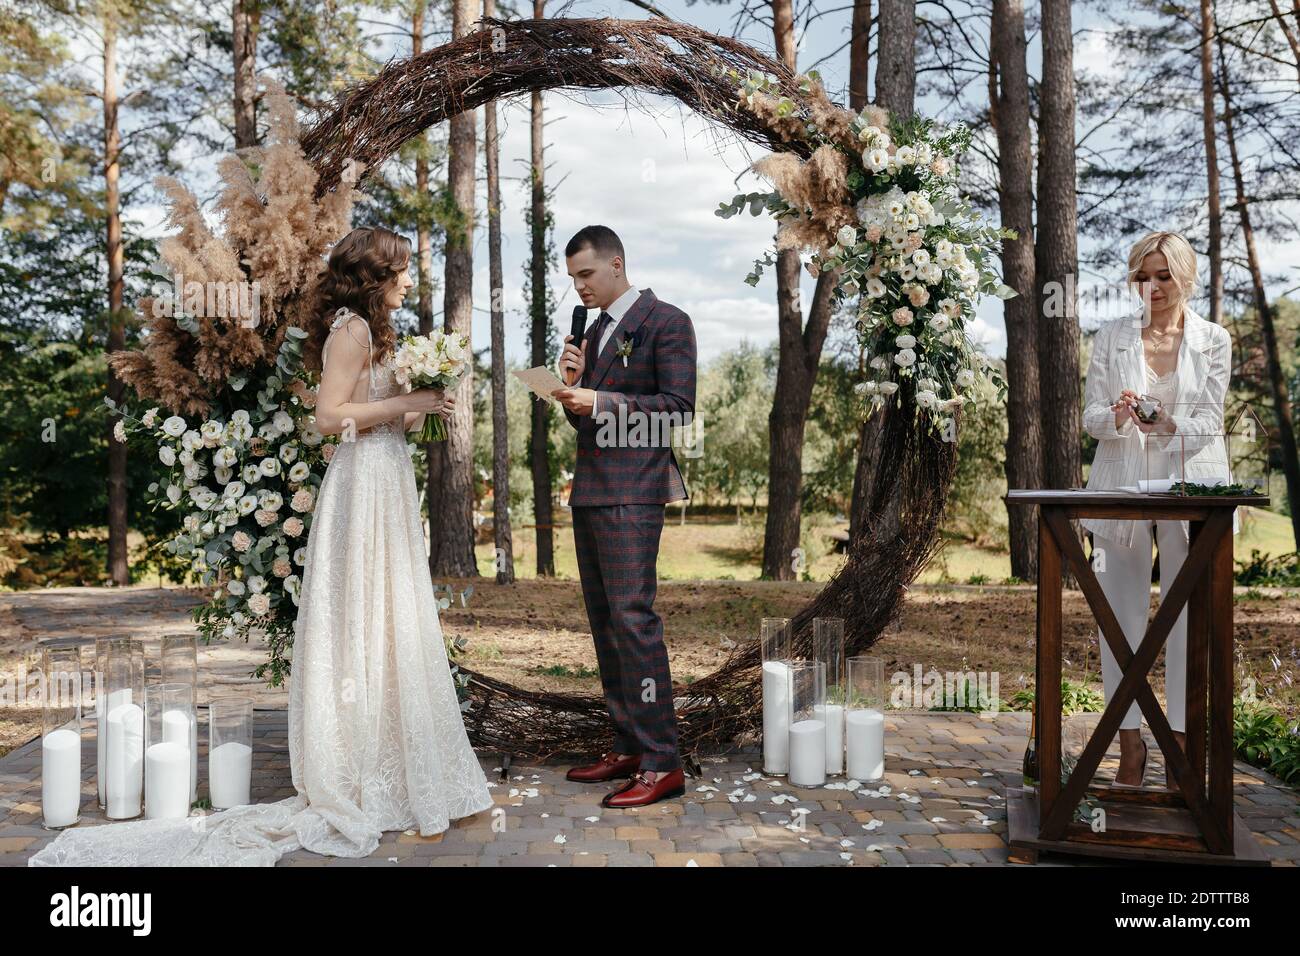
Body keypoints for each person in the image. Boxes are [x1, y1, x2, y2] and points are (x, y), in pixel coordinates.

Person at [29, 226, 494, 866]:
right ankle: (359, 775)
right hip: (359, 484)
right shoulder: (350, 329)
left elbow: (385, 414)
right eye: (403, 269)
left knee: (394, 622)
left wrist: (423, 401)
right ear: (374, 274)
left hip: (388, 479)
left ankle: (410, 771)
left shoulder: (378, 333)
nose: (410, 280)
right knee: (363, 620)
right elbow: (329, 418)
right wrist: (407, 398)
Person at [1080, 230, 1234, 788]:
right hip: (1120, 485)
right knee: (1119, 619)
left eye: (1164, 275)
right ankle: (1129, 747)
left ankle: (1182, 750)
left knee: (1186, 619)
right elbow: (1091, 419)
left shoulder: (1214, 340)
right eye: (1142, 276)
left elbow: (1210, 422)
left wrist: (1168, 424)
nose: (1153, 287)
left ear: (1185, 276)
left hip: (1191, 488)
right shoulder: (1111, 336)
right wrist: (1121, 415)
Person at [551, 225, 696, 808]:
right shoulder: (594, 331)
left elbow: (678, 411)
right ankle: (628, 745)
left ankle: (664, 763)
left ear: (617, 264)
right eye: (573, 279)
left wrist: (603, 400)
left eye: (586, 274)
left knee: (634, 621)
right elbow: (587, 424)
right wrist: (572, 390)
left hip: (634, 493)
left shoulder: (667, 321)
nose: (580, 287)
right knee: (606, 623)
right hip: (590, 491)